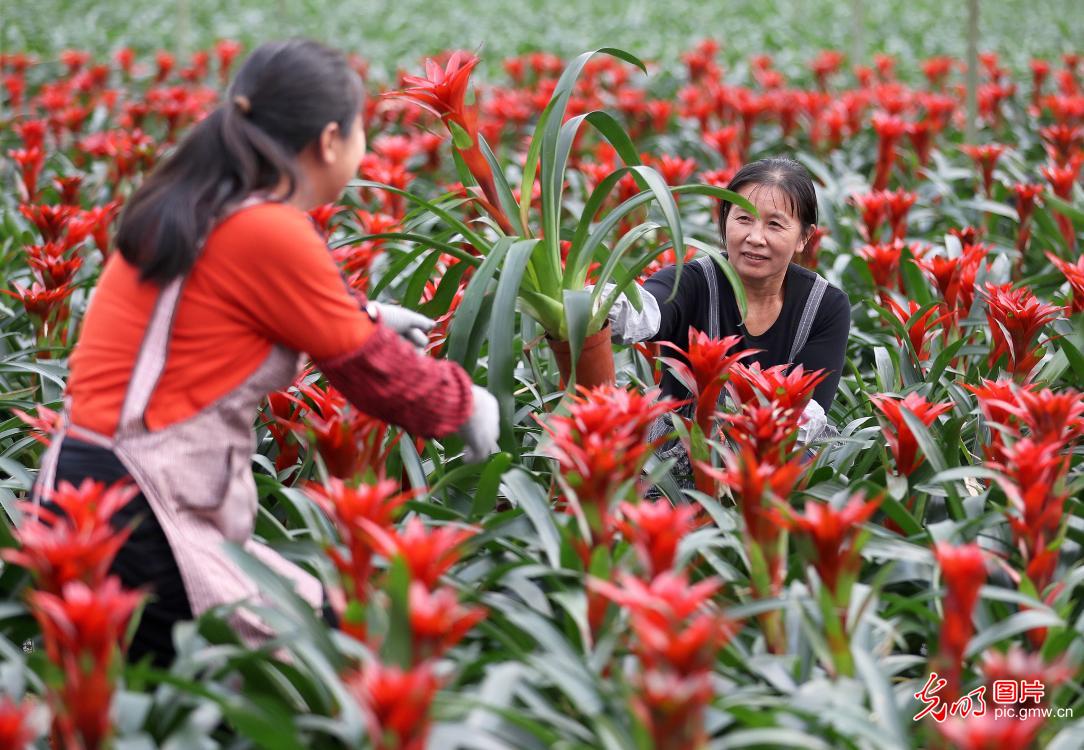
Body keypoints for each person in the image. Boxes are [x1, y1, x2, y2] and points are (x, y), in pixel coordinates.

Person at [30, 39, 499, 666]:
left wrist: (371, 314)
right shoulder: (267, 228)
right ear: (331, 139)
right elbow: (367, 369)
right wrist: (464, 403)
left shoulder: (199, 205)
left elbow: (238, 309)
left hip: (86, 485)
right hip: (140, 507)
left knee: (313, 636)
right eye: (363, 130)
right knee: (308, 666)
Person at [603, 156, 851, 485]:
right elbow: (649, 306)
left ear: (805, 237)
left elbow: (807, 412)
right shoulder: (690, 282)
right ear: (724, 222)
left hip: (780, 465)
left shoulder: (825, 305)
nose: (755, 237)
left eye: (775, 224)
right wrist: (599, 304)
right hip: (674, 470)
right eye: (743, 219)